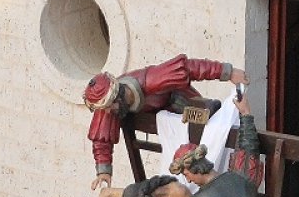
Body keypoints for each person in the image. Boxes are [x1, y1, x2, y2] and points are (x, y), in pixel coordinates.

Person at [82, 53, 248, 188]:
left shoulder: (150, 79)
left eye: (110, 107)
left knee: (211, 147)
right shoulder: (110, 107)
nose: (108, 112)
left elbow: (188, 68)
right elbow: (101, 138)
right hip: (169, 131)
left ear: (118, 95)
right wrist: (104, 170)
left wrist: (228, 72)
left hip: (185, 108)